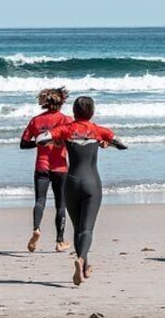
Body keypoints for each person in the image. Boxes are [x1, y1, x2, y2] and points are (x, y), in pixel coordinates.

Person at [36, 96, 127, 286]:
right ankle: (81, 259)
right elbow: (122, 144)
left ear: (74, 112)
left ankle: (84, 265)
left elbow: (41, 138)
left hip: (70, 183)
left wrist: (57, 142)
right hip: (92, 184)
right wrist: (106, 143)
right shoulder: (98, 130)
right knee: (86, 229)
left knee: (77, 227)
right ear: (92, 112)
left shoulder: (66, 129)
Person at [20, 87, 72, 253]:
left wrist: (40, 142)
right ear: (62, 101)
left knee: (40, 201)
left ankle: (36, 228)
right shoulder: (66, 120)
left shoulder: (36, 121)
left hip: (41, 166)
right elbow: (72, 140)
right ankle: (60, 241)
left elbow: (23, 144)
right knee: (61, 205)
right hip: (60, 167)